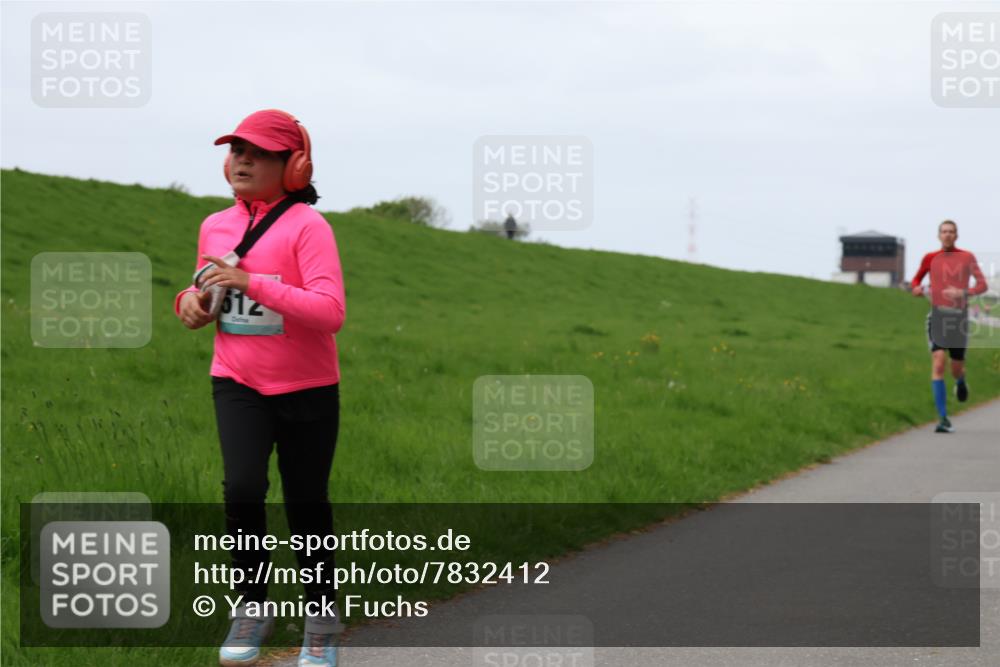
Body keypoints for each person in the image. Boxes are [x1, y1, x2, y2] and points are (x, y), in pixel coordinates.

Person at [174, 109, 345, 667]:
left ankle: (320, 620)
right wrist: (192, 305)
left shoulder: (308, 227)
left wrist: (256, 283)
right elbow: (201, 288)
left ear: (293, 166)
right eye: (235, 150)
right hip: (238, 379)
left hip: (307, 386)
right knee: (243, 489)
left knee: (305, 504)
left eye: (258, 152)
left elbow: (330, 311)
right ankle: (251, 606)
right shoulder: (214, 225)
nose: (241, 160)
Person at [910, 219, 988, 434]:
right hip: (937, 316)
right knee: (938, 362)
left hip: (959, 319)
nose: (947, 235)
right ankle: (943, 418)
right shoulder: (930, 258)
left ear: (956, 235)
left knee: (956, 367)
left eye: (951, 232)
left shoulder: (966, 257)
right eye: (944, 231)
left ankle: (961, 381)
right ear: (938, 235)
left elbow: (982, 285)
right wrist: (916, 288)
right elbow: (915, 280)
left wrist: (963, 293)